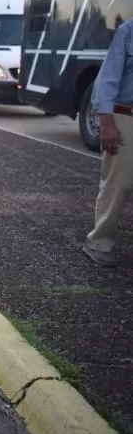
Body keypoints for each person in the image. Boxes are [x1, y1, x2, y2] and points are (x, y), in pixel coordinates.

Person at [84, 18, 133, 268]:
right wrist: (106, 123)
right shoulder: (129, 31)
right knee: (119, 183)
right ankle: (99, 241)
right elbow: (108, 78)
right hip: (126, 115)